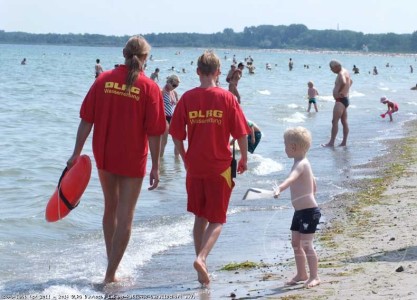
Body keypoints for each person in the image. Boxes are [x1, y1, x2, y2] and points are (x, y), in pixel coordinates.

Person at [66, 36, 166, 284]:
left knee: (110, 208)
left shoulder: (103, 80)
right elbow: (155, 132)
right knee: (126, 215)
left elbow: (86, 119)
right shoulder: (149, 87)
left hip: (105, 154)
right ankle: (110, 273)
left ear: (123, 54)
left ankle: (112, 264)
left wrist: (76, 152)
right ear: (145, 58)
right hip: (132, 158)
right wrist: (156, 165)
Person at [169, 50, 250, 286]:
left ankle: (199, 268)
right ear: (218, 72)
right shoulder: (227, 98)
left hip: (195, 166)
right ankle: (202, 259)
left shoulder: (186, 98)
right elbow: (242, 132)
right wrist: (244, 157)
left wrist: (184, 157)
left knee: (200, 216)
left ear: (197, 72)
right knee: (217, 219)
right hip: (219, 167)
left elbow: (175, 134)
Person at [273, 127, 321, 289]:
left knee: (307, 244)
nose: (284, 148)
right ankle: (302, 274)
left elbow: (291, 179)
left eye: (285, 145)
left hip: (308, 212)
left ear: (293, 147)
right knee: (295, 242)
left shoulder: (301, 164)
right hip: (300, 212)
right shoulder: (302, 163)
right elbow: (314, 184)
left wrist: (280, 188)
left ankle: (314, 276)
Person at [322, 59, 352, 147]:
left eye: (331, 68)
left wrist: (339, 92)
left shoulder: (341, 73)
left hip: (340, 101)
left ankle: (331, 142)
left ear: (336, 67)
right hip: (345, 99)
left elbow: (343, 82)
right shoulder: (346, 71)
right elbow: (351, 82)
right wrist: (345, 91)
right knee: (344, 121)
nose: (331, 70)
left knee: (334, 121)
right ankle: (344, 142)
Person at [160, 74, 180, 157]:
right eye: (174, 85)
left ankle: (177, 161)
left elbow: (177, 104)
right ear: (168, 82)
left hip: (172, 117)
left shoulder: (174, 92)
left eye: (177, 86)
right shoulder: (162, 91)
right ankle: (160, 159)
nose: (175, 87)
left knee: (178, 139)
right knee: (164, 141)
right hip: (164, 116)